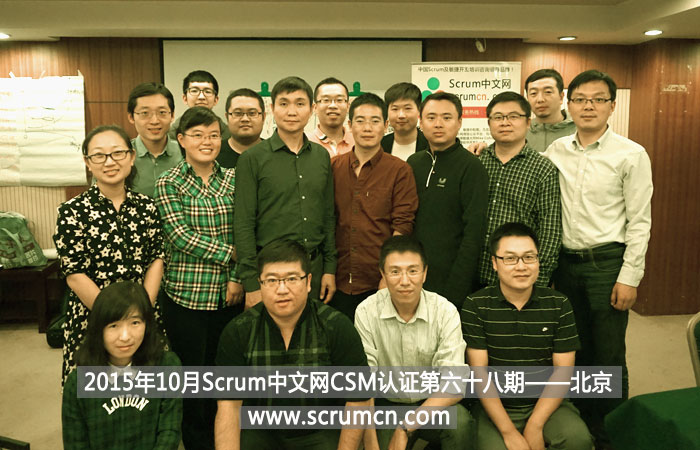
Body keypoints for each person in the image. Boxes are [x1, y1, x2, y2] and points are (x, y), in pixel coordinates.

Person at [545, 69, 652, 447]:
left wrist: (630, 277)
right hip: (566, 265)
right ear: (569, 105)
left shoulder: (631, 154)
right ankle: (582, 427)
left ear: (612, 105)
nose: (588, 106)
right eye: (580, 99)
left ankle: (611, 435)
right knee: (574, 350)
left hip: (607, 264)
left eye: (597, 99)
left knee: (608, 356)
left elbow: (640, 221)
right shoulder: (556, 150)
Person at [215, 239, 370, 450]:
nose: (282, 289)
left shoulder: (336, 326)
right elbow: (229, 407)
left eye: (292, 279)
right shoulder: (239, 330)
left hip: (320, 431)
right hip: (260, 431)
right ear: (260, 284)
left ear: (308, 282)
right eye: (271, 280)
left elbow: (358, 401)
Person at [155, 106, 243, 450]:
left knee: (227, 374)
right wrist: (230, 253)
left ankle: (227, 438)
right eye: (197, 135)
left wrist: (236, 275)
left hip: (229, 295)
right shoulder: (169, 182)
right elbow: (180, 236)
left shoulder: (235, 178)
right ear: (181, 139)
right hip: (186, 296)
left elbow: (244, 230)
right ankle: (197, 442)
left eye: (213, 135)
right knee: (193, 377)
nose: (207, 141)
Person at [461, 222, 593, 450]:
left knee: (577, 440)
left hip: (546, 404)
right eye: (510, 259)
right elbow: (479, 374)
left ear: (538, 261)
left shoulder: (559, 304)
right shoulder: (476, 305)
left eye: (529, 257)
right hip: (496, 406)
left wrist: (535, 425)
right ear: (494, 263)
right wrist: (509, 432)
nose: (521, 266)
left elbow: (563, 371)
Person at [54, 125, 165, 385]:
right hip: (93, 317)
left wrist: (139, 314)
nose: (109, 162)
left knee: (147, 392)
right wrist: (115, 319)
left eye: (117, 153)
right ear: (87, 162)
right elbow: (74, 273)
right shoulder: (71, 211)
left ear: (131, 156)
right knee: (95, 396)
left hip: (143, 315)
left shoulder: (147, 207)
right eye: (99, 155)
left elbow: (156, 259)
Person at [354, 235, 475, 450]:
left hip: (432, 405)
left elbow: (454, 384)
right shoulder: (366, 312)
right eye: (395, 272)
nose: (404, 281)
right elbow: (364, 385)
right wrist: (370, 443)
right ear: (382, 274)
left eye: (413, 271)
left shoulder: (444, 311)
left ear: (425, 273)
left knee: (461, 424)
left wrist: (406, 427)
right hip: (386, 405)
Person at [235, 76, 337, 309]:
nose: (292, 111)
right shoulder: (252, 158)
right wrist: (251, 283)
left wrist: (330, 269)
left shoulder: (321, 156)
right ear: (272, 109)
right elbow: (243, 224)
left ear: (312, 109)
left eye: (300, 103)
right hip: (271, 274)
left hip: (314, 270)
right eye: (284, 103)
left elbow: (328, 215)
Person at [62, 281, 182, 450]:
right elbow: (76, 444)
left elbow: (169, 432)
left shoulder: (168, 367)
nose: (125, 336)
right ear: (98, 329)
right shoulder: (77, 383)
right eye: (114, 326)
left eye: (135, 323)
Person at [331, 93, 418, 320]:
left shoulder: (400, 170)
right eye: (360, 121)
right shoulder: (333, 167)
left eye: (375, 121)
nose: (367, 128)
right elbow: (327, 221)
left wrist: (389, 274)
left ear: (386, 126)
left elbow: (402, 226)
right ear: (350, 125)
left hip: (378, 280)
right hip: (337, 280)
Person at [407, 92, 489, 307]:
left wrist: (457, 287)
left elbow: (474, 232)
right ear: (421, 122)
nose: (438, 124)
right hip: (413, 275)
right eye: (431, 117)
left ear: (459, 122)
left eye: (447, 117)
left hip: (452, 279)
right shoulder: (413, 163)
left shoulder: (471, 166)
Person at [478, 91, 561, 287]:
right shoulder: (477, 162)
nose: (505, 123)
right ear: (489, 123)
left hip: (520, 276)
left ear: (528, 122)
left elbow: (550, 230)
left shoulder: (543, 168)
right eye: (498, 117)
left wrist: (537, 281)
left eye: (514, 116)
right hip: (474, 272)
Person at [467, 69, 576, 154]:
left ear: (561, 97)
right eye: (533, 93)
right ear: (527, 97)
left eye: (548, 92)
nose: (540, 99)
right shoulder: (520, 129)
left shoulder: (577, 130)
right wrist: (483, 148)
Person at [126, 82, 182, 197]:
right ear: (131, 117)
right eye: (145, 113)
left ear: (172, 115)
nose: (154, 121)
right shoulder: (121, 156)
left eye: (162, 112)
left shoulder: (185, 152)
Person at [168, 70, 229, 141]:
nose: (201, 97)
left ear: (216, 100)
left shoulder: (226, 133)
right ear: (185, 98)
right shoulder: (173, 133)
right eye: (194, 91)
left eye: (207, 91)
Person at [217, 88, 265, 169]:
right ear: (227, 117)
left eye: (252, 113)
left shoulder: (277, 155)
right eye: (238, 113)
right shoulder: (213, 154)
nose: (245, 119)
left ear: (263, 117)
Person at [381, 82, 429, 160]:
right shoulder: (378, 146)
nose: (401, 115)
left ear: (419, 110)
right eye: (395, 109)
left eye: (407, 108)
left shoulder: (431, 145)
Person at [308, 77, 355, 157]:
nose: (333, 106)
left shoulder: (359, 143)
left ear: (348, 106)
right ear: (315, 108)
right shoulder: (304, 143)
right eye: (326, 100)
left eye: (339, 100)